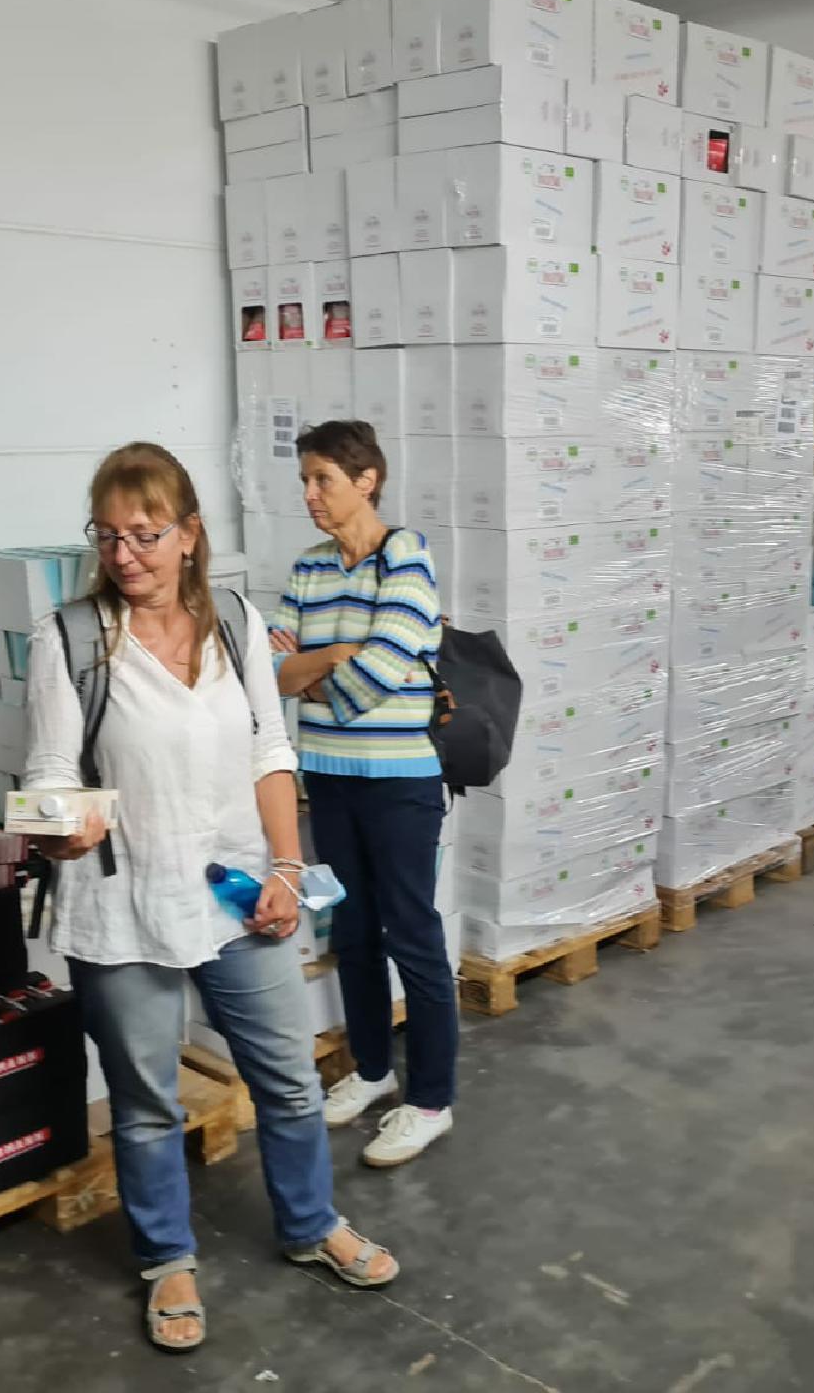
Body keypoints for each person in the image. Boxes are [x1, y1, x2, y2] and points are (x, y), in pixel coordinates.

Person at [25, 442, 397, 1355]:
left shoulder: (235, 621)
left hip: (239, 894)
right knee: (147, 1101)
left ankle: (310, 1224)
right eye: (107, 536)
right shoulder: (70, 639)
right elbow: (46, 773)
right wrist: (57, 825)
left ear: (190, 534)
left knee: (291, 1080)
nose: (125, 555)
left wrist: (285, 868)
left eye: (145, 534)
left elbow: (271, 748)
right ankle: (167, 1260)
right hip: (124, 909)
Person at [268, 421, 455, 1169]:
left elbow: (382, 669)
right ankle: (374, 1071)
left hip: (401, 782)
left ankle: (430, 1100)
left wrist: (319, 670)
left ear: (366, 480)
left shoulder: (406, 557)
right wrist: (338, 655)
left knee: (413, 935)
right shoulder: (309, 568)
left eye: (323, 479)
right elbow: (268, 674)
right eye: (305, 481)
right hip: (328, 778)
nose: (310, 495)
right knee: (352, 934)